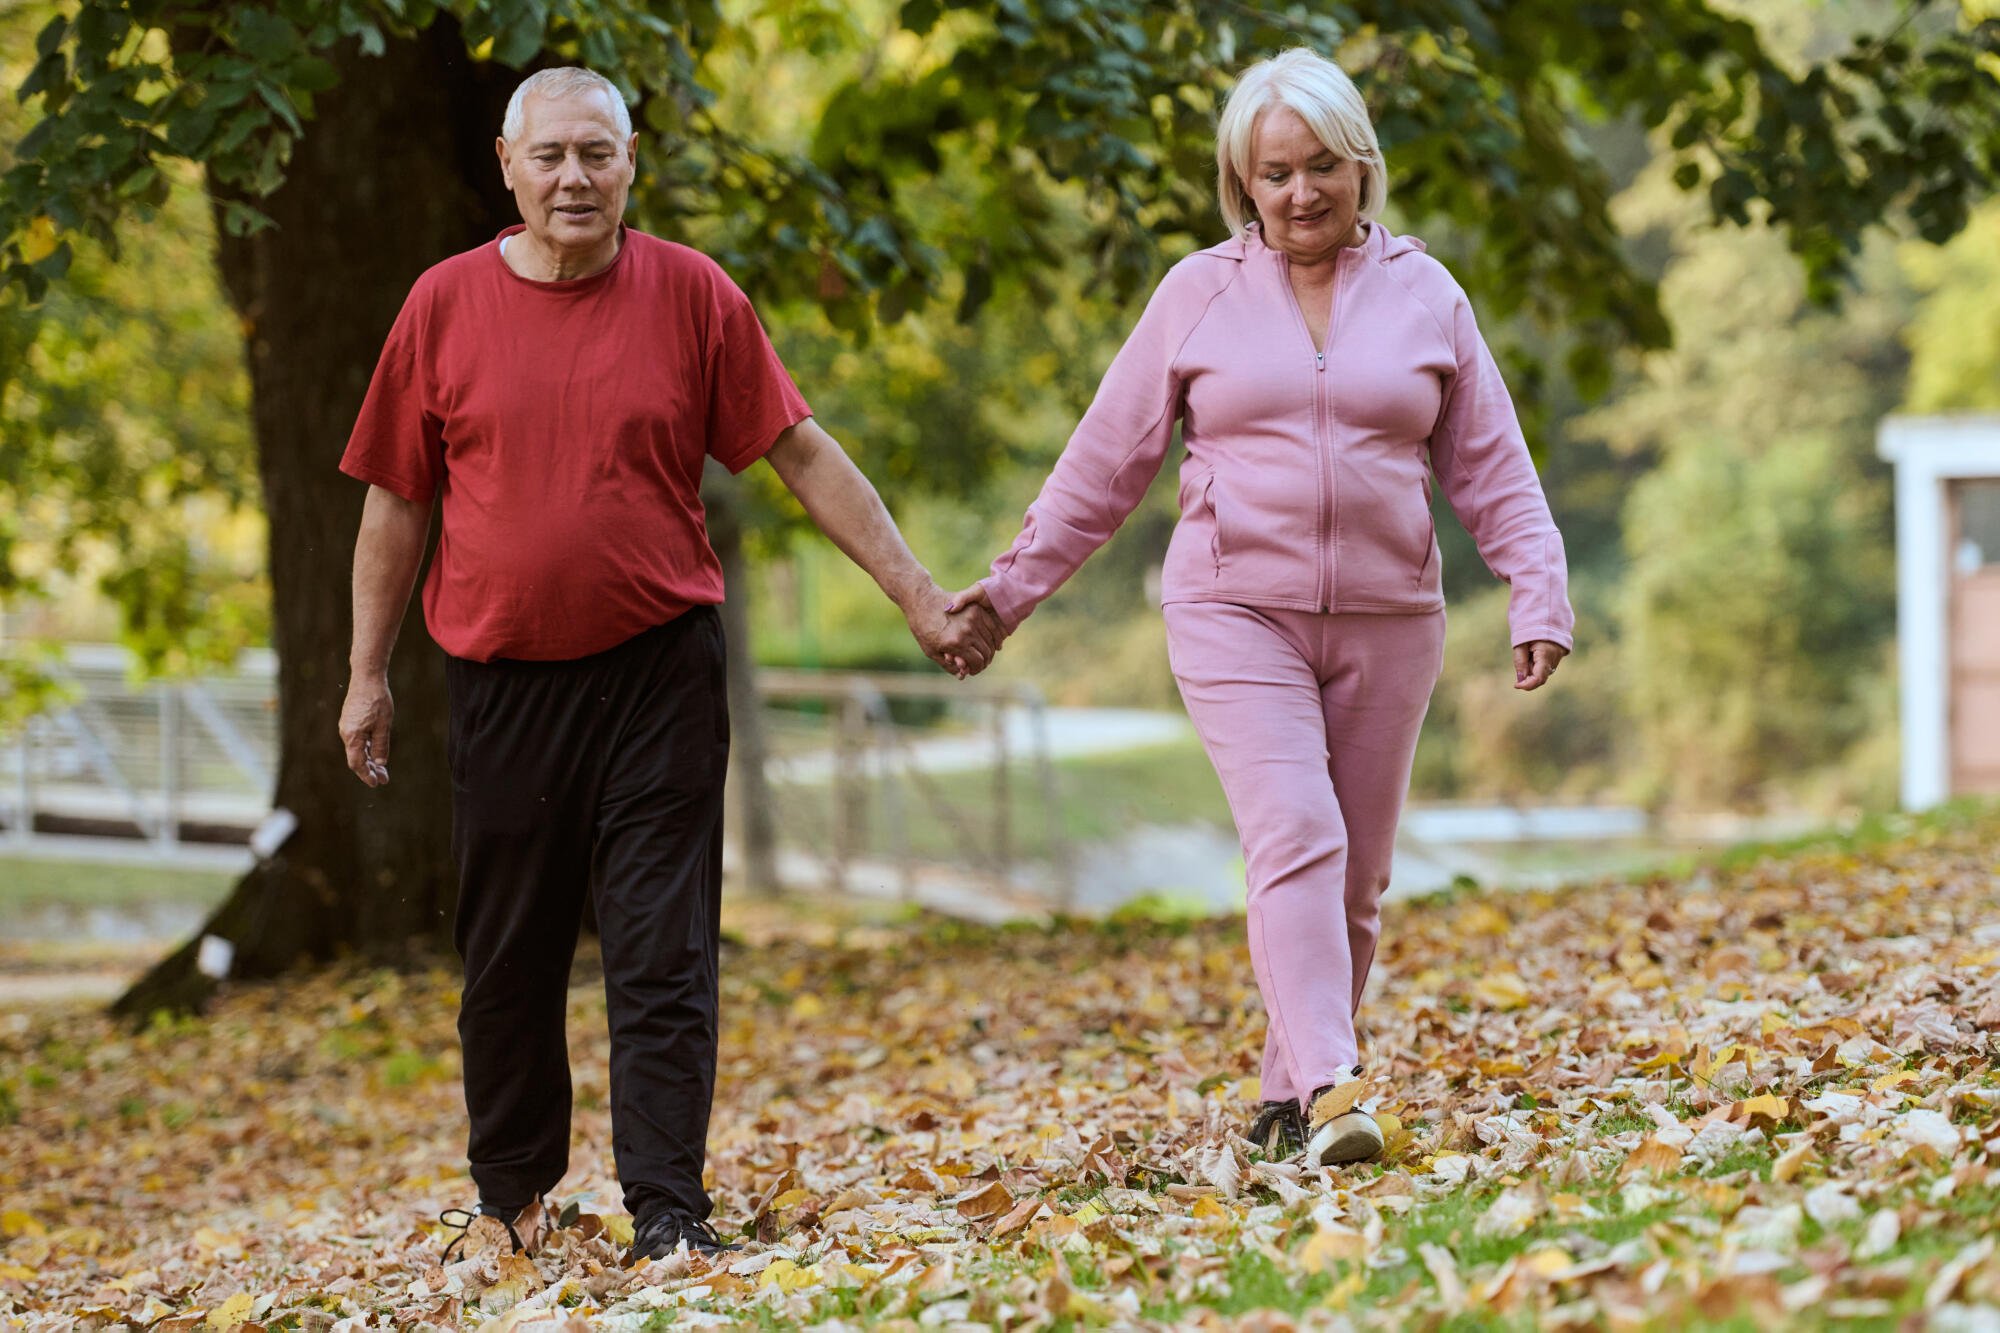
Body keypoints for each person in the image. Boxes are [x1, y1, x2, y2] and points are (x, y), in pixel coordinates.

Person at [335, 67, 1000, 1263]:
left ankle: (666, 1208)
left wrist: (915, 595)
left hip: (658, 676)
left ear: (630, 163)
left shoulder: (692, 294)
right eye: (550, 156)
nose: (573, 177)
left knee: (660, 947)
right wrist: (363, 674)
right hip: (501, 684)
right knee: (508, 957)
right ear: (506, 164)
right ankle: (513, 1197)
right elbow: (395, 501)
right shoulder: (440, 307)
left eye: (597, 153)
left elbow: (799, 453)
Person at [950, 47, 1572, 1167]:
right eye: (1271, 174)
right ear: (1242, 181)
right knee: (1296, 831)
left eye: (1319, 168)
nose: (1297, 195)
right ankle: (1336, 1085)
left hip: (1391, 617)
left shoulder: (1426, 293)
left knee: (1358, 874)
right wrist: (1005, 593)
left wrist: (1538, 588)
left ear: (1359, 166)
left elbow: (1489, 464)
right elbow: (1104, 465)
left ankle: (1285, 1099)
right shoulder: (1198, 293)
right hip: (1234, 608)